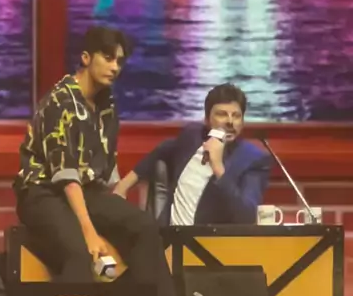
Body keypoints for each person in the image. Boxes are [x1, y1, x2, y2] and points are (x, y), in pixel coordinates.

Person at [13, 26, 177, 296]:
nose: (115, 67)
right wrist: (90, 232)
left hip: (87, 189)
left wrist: (117, 209)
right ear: (86, 58)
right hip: (43, 191)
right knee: (78, 253)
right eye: (108, 58)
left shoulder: (106, 103)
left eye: (120, 61)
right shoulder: (60, 102)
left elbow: (104, 165)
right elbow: (66, 176)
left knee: (143, 226)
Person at [114, 82, 271, 225]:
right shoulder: (192, 136)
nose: (230, 121)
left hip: (208, 242)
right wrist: (124, 185)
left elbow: (246, 217)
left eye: (236, 116)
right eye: (222, 114)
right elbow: (163, 149)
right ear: (207, 120)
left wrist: (218, 168)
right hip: (166, 237)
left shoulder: (252, 159)